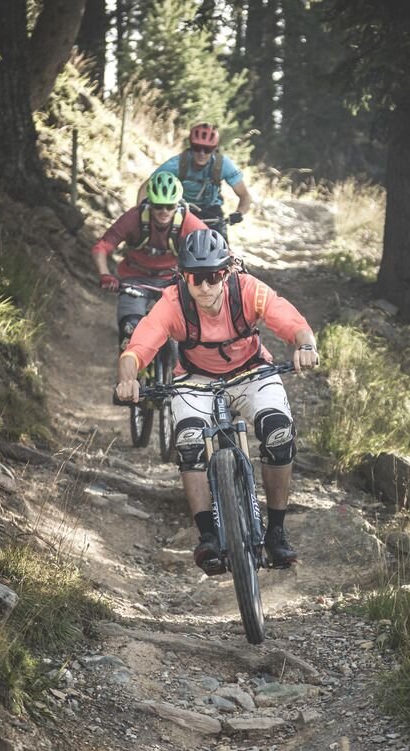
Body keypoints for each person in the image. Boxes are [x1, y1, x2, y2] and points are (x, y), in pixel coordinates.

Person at [116, 228, 318, 574]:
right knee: (189, 440)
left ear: (226, 272)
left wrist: (306, 346)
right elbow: (137, 349)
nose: (205, 286)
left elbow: (293, 323)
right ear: (184, 276)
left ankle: (276, 531)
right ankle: (207, 535)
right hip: (196, 379)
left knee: (278, 433)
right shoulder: (172, 303)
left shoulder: (249, 290)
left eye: (213, 276)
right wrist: (128, 379)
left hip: (252, 372)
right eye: (196, 277)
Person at [92, 172, 206, 351]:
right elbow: (102, 246)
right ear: (150, 203)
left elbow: (211, 246)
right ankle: (129, 367)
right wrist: (105, 274)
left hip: (172, 281)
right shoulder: (134, 218)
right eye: (158, 206)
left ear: (177, 204)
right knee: (130, 331)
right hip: (135, 280)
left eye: (170, 206)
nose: (164, 211)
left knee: (184, 338)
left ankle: (177, 367)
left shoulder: (188, 222)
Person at [137, 123, 252, 241]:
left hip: (211, 210)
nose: (202, 153)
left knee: (220, 244)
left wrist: (239, 213)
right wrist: (140, 213)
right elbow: (147, 186)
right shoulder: (176, 164)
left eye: (207, 149)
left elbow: (245, 196)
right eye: (197, 148)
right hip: (181, 207)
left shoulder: (223, 164)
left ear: (214, 149)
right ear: (191, 147)